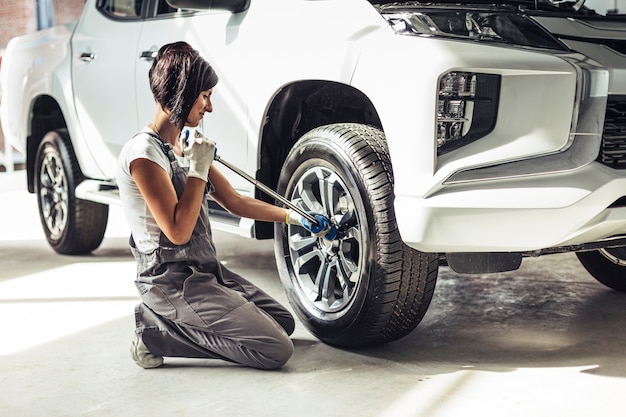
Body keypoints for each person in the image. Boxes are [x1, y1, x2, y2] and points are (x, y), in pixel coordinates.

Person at [116, 41, 330, 370]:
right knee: (275, 349)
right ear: (181, 94)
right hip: (170, 280)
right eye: (205, 96)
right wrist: (199, 168)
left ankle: (186, 322)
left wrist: (295, 217)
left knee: (283, 323)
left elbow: (235, 201)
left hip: (205, 270)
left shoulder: (183, 147)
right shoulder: (143, 155)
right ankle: (153, 332)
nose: (209, 108)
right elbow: (176, 231)